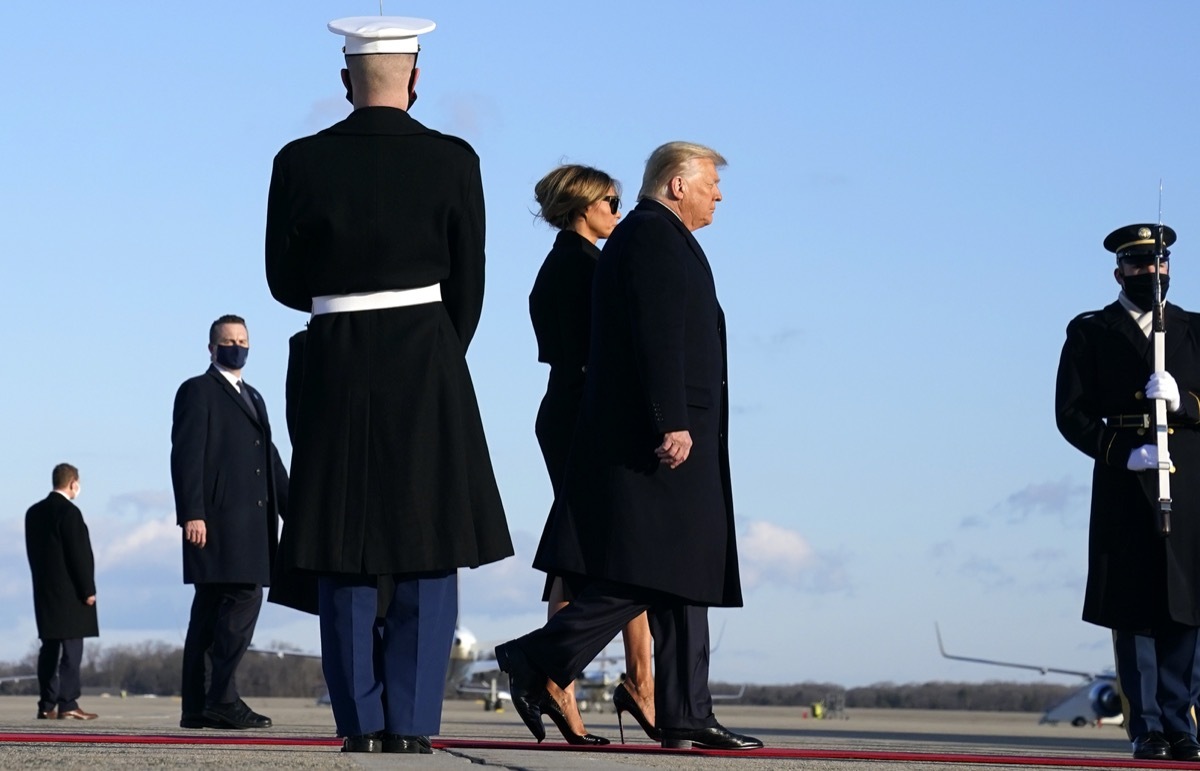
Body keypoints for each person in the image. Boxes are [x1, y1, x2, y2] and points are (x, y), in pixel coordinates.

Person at [265, 16, 512, 755]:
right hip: (427, 353)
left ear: (346, 82)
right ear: (415, 77)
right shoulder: (455, 158)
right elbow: (470, 280)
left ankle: (361, 723)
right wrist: (436, 347)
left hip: (336, 353)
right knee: (429, 537)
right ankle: (410, 720)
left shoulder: (298, 160)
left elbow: (282, 280)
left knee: (341, 541)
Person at [497, 141, 762, 751]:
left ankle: (685, 711)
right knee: (658, 566)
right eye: (711, 184)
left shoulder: (659, 237)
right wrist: (669, 418)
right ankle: (538, 658)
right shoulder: (650, 237)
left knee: (681, 569)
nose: (718, 195)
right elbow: (655, 334)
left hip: (673, 428)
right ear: (676, 185)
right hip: (660, 434)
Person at [1056, 223, 1200, 761]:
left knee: (1185, 609)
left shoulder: (1194, 329)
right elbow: (1070, 414)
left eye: (1158, 264)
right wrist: (1120, 452)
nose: (1151, 274)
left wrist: (1185, 400)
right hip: (1124, 482)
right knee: (1135, 606)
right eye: (1139, 266)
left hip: (1187, 485)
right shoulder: (1092, 330)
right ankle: (1148, 727)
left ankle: (1182, 724)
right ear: (1120, 272)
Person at [528, 163, 656, 744]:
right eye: (611, 199)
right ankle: (594, 680)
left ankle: (615, 680)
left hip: (571, 410)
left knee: (591, 553)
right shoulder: (581, 268)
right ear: (585, 205)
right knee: (603, 551)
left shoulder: (570, 264)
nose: (618, 209)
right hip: (583, 416)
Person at [170, 314, 289, 730]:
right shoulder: (197, 391)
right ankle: (222, 698)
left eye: (242, 340)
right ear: (211, 348)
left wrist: (292, 509)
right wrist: (192, 512)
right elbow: (185, 456)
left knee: (208, 612)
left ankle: (197, 705)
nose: (236, 346)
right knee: (241, 600)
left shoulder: (254, 395)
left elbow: (268, 458)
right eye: (227, 340)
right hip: (218, 524)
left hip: (251, 525)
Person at [24, 463, 98, 721]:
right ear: (73, 482)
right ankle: (68, 703)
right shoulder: (69, 513)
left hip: (44, 592)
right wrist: (87, 589)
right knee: (71, 649)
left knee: (49, 649)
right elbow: (78, 555)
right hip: (70, 594)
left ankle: (46, 704)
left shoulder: (33, 513)